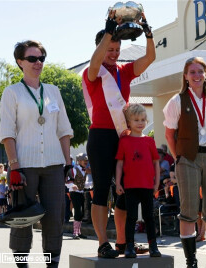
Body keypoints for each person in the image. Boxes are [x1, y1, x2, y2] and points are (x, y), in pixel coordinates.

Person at [82, 10, 155, 258]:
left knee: (125, 189)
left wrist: (148, 32)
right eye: (109, 49)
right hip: (101, 137)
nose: (113, 54)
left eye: (116, 49)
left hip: (122, 136)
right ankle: (103, 243)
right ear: (101, 48)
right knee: (102, 189)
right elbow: (95, 62)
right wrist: (109, 29)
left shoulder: (124, 71)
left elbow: (150, 58)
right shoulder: (92, 72)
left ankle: (124, 242)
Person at [0, 40, 73, 268]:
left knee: (54, 219)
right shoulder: (12, 93)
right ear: (20, 62)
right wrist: (14, 166)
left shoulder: (53, 91)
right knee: (23, 218)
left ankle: (52, 264)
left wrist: (68, 164)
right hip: (24, 166)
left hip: (53, 164)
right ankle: (22, 265)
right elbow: (7, 133)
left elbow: (63, 130)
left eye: (41, 58)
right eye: (32, 58)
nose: (38, 62)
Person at [163, 57, 206, 268]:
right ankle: (191, 262)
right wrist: (177, 157)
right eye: (192, 72)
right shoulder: (176, 101)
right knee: (188, 211)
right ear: (186, 76)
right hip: (188, 158)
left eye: (200, 71)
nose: (197, 76)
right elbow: (169, 134)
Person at [115, 104, 161, 258]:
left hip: (147, 186)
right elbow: (120, 163)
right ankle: (129, 247)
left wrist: (156, 183)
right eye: (136, 120)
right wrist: (118, 183)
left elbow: (156, 162)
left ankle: (153, 246)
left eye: (142, 119)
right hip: (130, 186)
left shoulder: (149, 141)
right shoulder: (124, 141)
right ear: (129, 122)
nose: (140, 123)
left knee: (149, 217)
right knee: (131, 217)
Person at [66, 153, 90, 240]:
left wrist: (92, 184)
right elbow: (67, 181)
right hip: (74, 193)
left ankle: (79, 232)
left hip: (81, 193)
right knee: (78, 212)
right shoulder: (74, 169)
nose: (86, 162)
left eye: (87, 160)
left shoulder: (84, 170)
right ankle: (75, 232)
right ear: (79, 161)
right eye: (85, 160)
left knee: (82, 213)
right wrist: (72, 185)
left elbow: (83, 184)